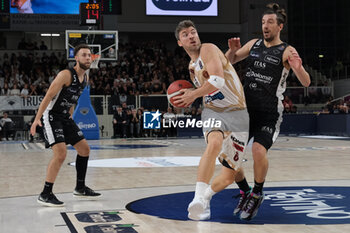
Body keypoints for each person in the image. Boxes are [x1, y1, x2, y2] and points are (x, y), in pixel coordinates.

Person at [225, 3, 310, 220]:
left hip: (269, 112)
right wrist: (232, 51)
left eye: (270, 22)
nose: (265, 26)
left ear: (280, 26)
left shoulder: (287, 51)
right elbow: (229, 62)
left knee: (258, 151)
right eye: (263, 22)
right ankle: (244, 191)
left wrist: (298, 68)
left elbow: (307, 82)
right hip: (244, 110)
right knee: (228, 155)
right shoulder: (253, 44)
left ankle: (257, 193)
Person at [174, 20, 249, 220]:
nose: (191, 36)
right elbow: (209, 86)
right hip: (214, 112)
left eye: (193, 32)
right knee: (214, 143)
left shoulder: (208, 48)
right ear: (180, 42)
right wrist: (191, 93)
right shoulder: (192, 67)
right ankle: (197, 197)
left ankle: (205, 199)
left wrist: (193, 95)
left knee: (229, 175)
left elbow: (217, 80)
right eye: (185, 34)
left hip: (238, 113)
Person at [30, 44, 101, 207]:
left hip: (64, 117)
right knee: (61, 154)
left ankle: (80, 188)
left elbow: (72, 98)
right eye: (84, 55)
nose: (88, 58)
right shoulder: (66, 74)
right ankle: (45, 193)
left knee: (84, 149)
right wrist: (36, 119)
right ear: (76, 58)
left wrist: (69, 115)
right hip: (51, 115)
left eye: (89, 55)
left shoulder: (86, 78)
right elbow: (48, 96)